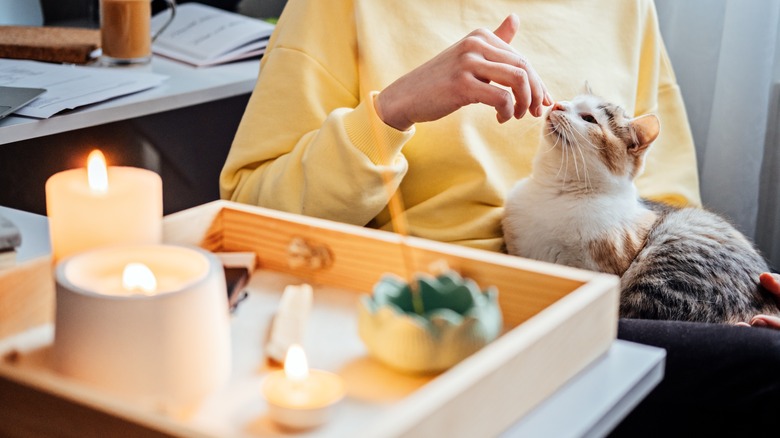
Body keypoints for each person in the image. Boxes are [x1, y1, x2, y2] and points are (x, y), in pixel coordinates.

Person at [220, 0, 780, 434]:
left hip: (602, 309)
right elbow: (244, 212)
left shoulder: (625, 7)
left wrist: (744, 300)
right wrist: (393, 110)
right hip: (434, 315)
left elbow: (669, 208)